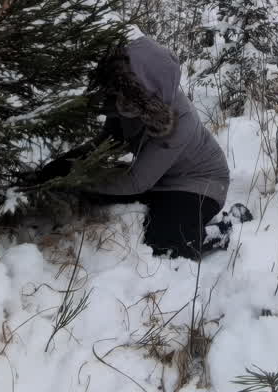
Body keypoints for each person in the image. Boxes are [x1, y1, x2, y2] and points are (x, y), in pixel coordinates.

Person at [40, 31, 230, 260]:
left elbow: (137, 181)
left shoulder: (181, 121)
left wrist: (80, 181)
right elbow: (109, 142)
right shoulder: (128, 101)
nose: (116, 95)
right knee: (103, 197)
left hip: (201, 184)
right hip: (161, 179)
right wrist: (68, 163)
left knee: (162, 241)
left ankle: (220, 232)